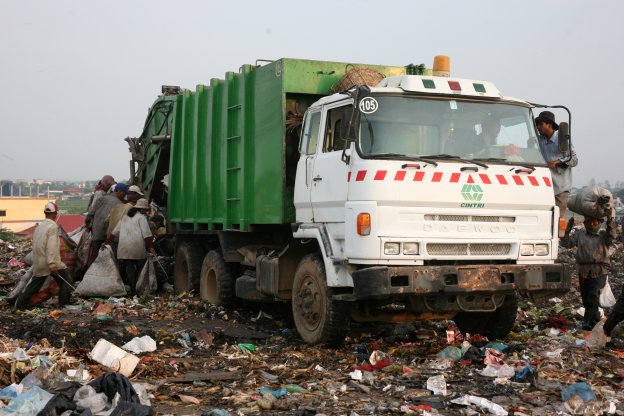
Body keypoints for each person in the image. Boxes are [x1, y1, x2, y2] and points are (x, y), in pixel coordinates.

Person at [561, 211, 618, 330]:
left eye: (595, 221)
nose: (592, 224)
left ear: (599, 222)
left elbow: (612, 236)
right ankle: (595, 321)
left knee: (593, 296)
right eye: (589, 221)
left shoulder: (604, 235)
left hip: (600, 270)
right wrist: (567, 229)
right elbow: (567, 243)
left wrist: (610, 221)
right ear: (586, 223)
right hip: (584, 270)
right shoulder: (580, 234)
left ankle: (587, 323)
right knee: (586, 298)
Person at [14, 202, 72, 311]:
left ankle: (19, 305)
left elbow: (36, 245)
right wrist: (52, 264)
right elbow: (51, 248)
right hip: (51, 261)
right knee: (65, 281)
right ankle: (64, 305)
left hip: (39, 261)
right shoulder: (53, 227)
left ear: (45, 213)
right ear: (55, 214)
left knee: (34, 286)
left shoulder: (40, 227)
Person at [106, 198, 156, 296]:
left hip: (124, 247)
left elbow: (115, 232)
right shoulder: (141, 218)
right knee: (141, 267)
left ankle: (132, 290)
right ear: (142, 209)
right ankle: (140, 288)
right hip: (136, 246)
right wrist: (151, 247)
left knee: (129, 269)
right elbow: (147, 235)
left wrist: (106, 242)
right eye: (145, 210)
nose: (146, 212)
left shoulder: (125, 217)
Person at [536, 111, 578, 217]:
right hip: (545, 186)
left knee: (558, 220)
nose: (538, 127)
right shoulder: (539, 140)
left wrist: (557, 162)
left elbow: (574, 159)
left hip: (560, 188)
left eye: (541, 124)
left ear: (549, 125)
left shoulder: (562, 140)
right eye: (537, 124)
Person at [85, 183, 127, 268]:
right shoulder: (120, 204)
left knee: (95, 255)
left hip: (97, 233)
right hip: (110, 235)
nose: (125, 195)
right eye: (124, 193)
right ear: (118, 191)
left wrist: (88, 227)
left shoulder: (101, 199)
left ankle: (90, 275)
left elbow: (89, 216)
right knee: (110, 258)